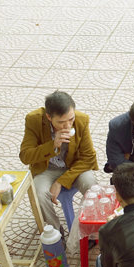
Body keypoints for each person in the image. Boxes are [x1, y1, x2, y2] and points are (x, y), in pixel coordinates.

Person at [19, 90, 98, 238]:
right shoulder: (34, 120)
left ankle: (91, 232)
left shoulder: (81, 120)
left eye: (70, 119)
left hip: (74, 167)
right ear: (49, 117)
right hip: (47, 169)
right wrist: (53, 145)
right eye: (61, 122)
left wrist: (61, 182)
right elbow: (25, 156)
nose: (67, 125)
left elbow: (88, 158)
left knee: (92, 185)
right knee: (39, 194)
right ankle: (55, 234)